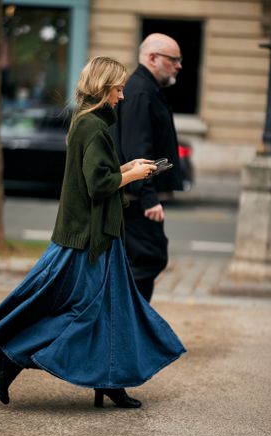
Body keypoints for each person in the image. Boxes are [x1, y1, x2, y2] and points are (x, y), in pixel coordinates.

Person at [0, 56, 186, 409]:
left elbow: (98, 173)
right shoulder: (93, 126)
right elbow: (99, 185)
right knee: (80, 312)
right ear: (103, 88)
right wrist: (132, 176)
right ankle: (11, 357)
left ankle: (112, 382)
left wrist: (127, 166)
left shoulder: (91, 122)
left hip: (99, 234)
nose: (122, 96)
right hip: (88, 237)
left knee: (114, 311)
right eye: (118, 89)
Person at [112, 33, 184, 302]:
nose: (179, 65)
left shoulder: (146, 88)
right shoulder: (141, 90)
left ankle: (131, 327)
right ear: (153, 58)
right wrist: (149, 197)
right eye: (174, 59)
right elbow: (137, 149)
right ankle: (127, 326)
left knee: (146, 258)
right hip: (135, 198)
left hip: (136, 196)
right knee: (147, 258)